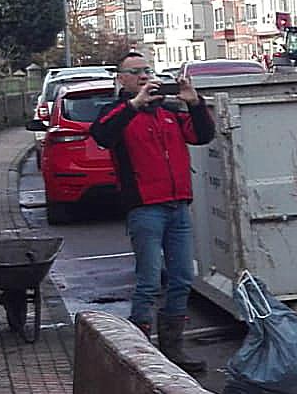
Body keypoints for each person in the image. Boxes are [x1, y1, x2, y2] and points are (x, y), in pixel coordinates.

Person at [89, 49, 216, 374]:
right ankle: (140, 355)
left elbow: (203, 135)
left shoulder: (168, 112)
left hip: (177, 205)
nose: (144, 76)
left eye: (147, 70)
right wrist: (134, 105)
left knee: (182, 278)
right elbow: (102, 134)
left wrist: (194, 102)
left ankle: (173, 349)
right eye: (135, 72)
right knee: (148, 281)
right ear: (121, 79)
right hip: (145, 208)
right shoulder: (117, 112)